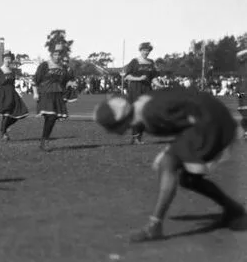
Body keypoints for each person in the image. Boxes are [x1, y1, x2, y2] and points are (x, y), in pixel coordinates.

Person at [94, 89, 247, 242]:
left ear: (119, 121)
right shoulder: (145, 111)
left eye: (109, 127)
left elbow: (192, 106)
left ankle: (154, 226)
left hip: (209, 121)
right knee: (189, 179)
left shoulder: (151, 112)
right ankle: (233, 210)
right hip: (207, 119)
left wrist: (177, 150)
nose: (110, 132)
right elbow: (183, 115)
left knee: (168, 163)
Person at [32, 43, 74, 151]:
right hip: (46, 94)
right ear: (52, 55)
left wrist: (70, 83)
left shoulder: (63, 68)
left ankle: (44, 141)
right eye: (55, 54)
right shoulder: (44, 65)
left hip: (57, 95)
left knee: (52, 118)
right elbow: (36, 79)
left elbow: (66, 80)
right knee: (50, 117)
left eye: (59, 54)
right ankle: (45, 141)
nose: (57, 56)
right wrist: (35, 93)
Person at [123, 42, 159, 144]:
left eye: (148, 50)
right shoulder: (134, 62)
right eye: (144, 50)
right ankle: (136, 137)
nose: (146, 52)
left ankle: (138, 137)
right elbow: (127, 76)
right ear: (140, 50)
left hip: (147, 89)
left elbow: (153, 77)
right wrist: (138, 78)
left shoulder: (151, 62)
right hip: (135, 89)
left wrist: (159, 84)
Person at [0, 52, 28, 141]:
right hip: (3, 94)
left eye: (9, 58)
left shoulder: (12, 71)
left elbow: (13, 84)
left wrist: (18, 91)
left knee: (20, 113)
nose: (8, 60)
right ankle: (4, 134)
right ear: (3, 59)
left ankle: (4, 128)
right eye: (6, 58)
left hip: (12, 94)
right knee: (6, 115)